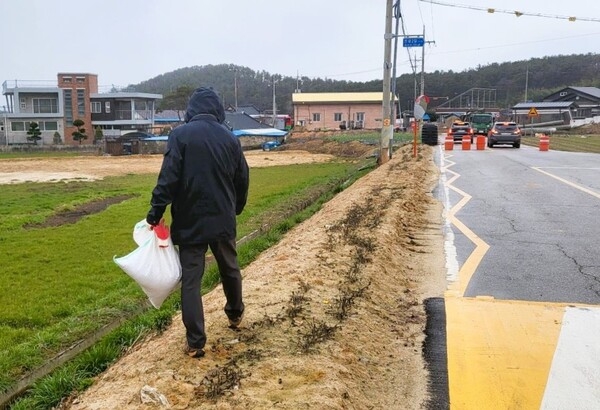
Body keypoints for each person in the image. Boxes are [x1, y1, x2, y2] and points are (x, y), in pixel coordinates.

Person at [146, 87, 249, 359]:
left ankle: (195, 342)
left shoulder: (180, 135)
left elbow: (168, 178)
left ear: (191, 109)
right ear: (217, 109)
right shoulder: (230, 138)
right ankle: (235, 313)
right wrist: (234, 208)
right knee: (230, 267)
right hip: (222, 217)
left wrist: (155, 211)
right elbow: (242, 179)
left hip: (190, 221)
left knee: (191, 280)